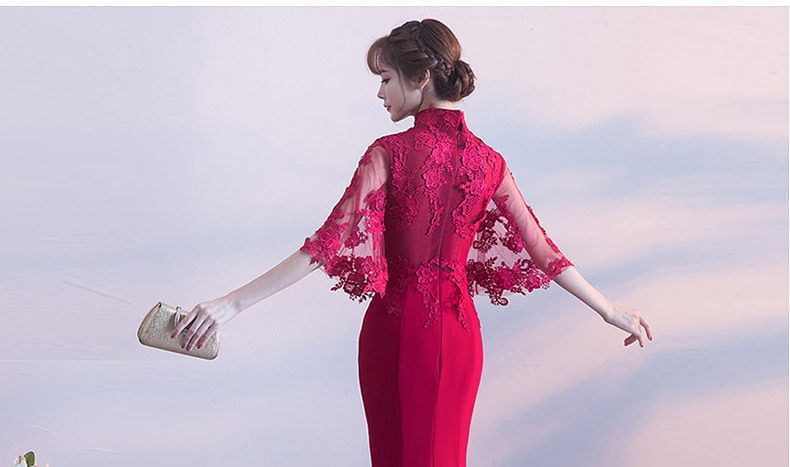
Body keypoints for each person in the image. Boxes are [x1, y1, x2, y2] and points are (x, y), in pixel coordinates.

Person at [171, 18, 653, 467]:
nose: (379, 92)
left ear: (420, 77)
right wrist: (609, 309)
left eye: (385, 78)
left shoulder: (390, 152)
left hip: (397, 330)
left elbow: (325, 244)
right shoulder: (490, 162)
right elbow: (543, 250)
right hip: (460, 337)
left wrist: (231, 304)